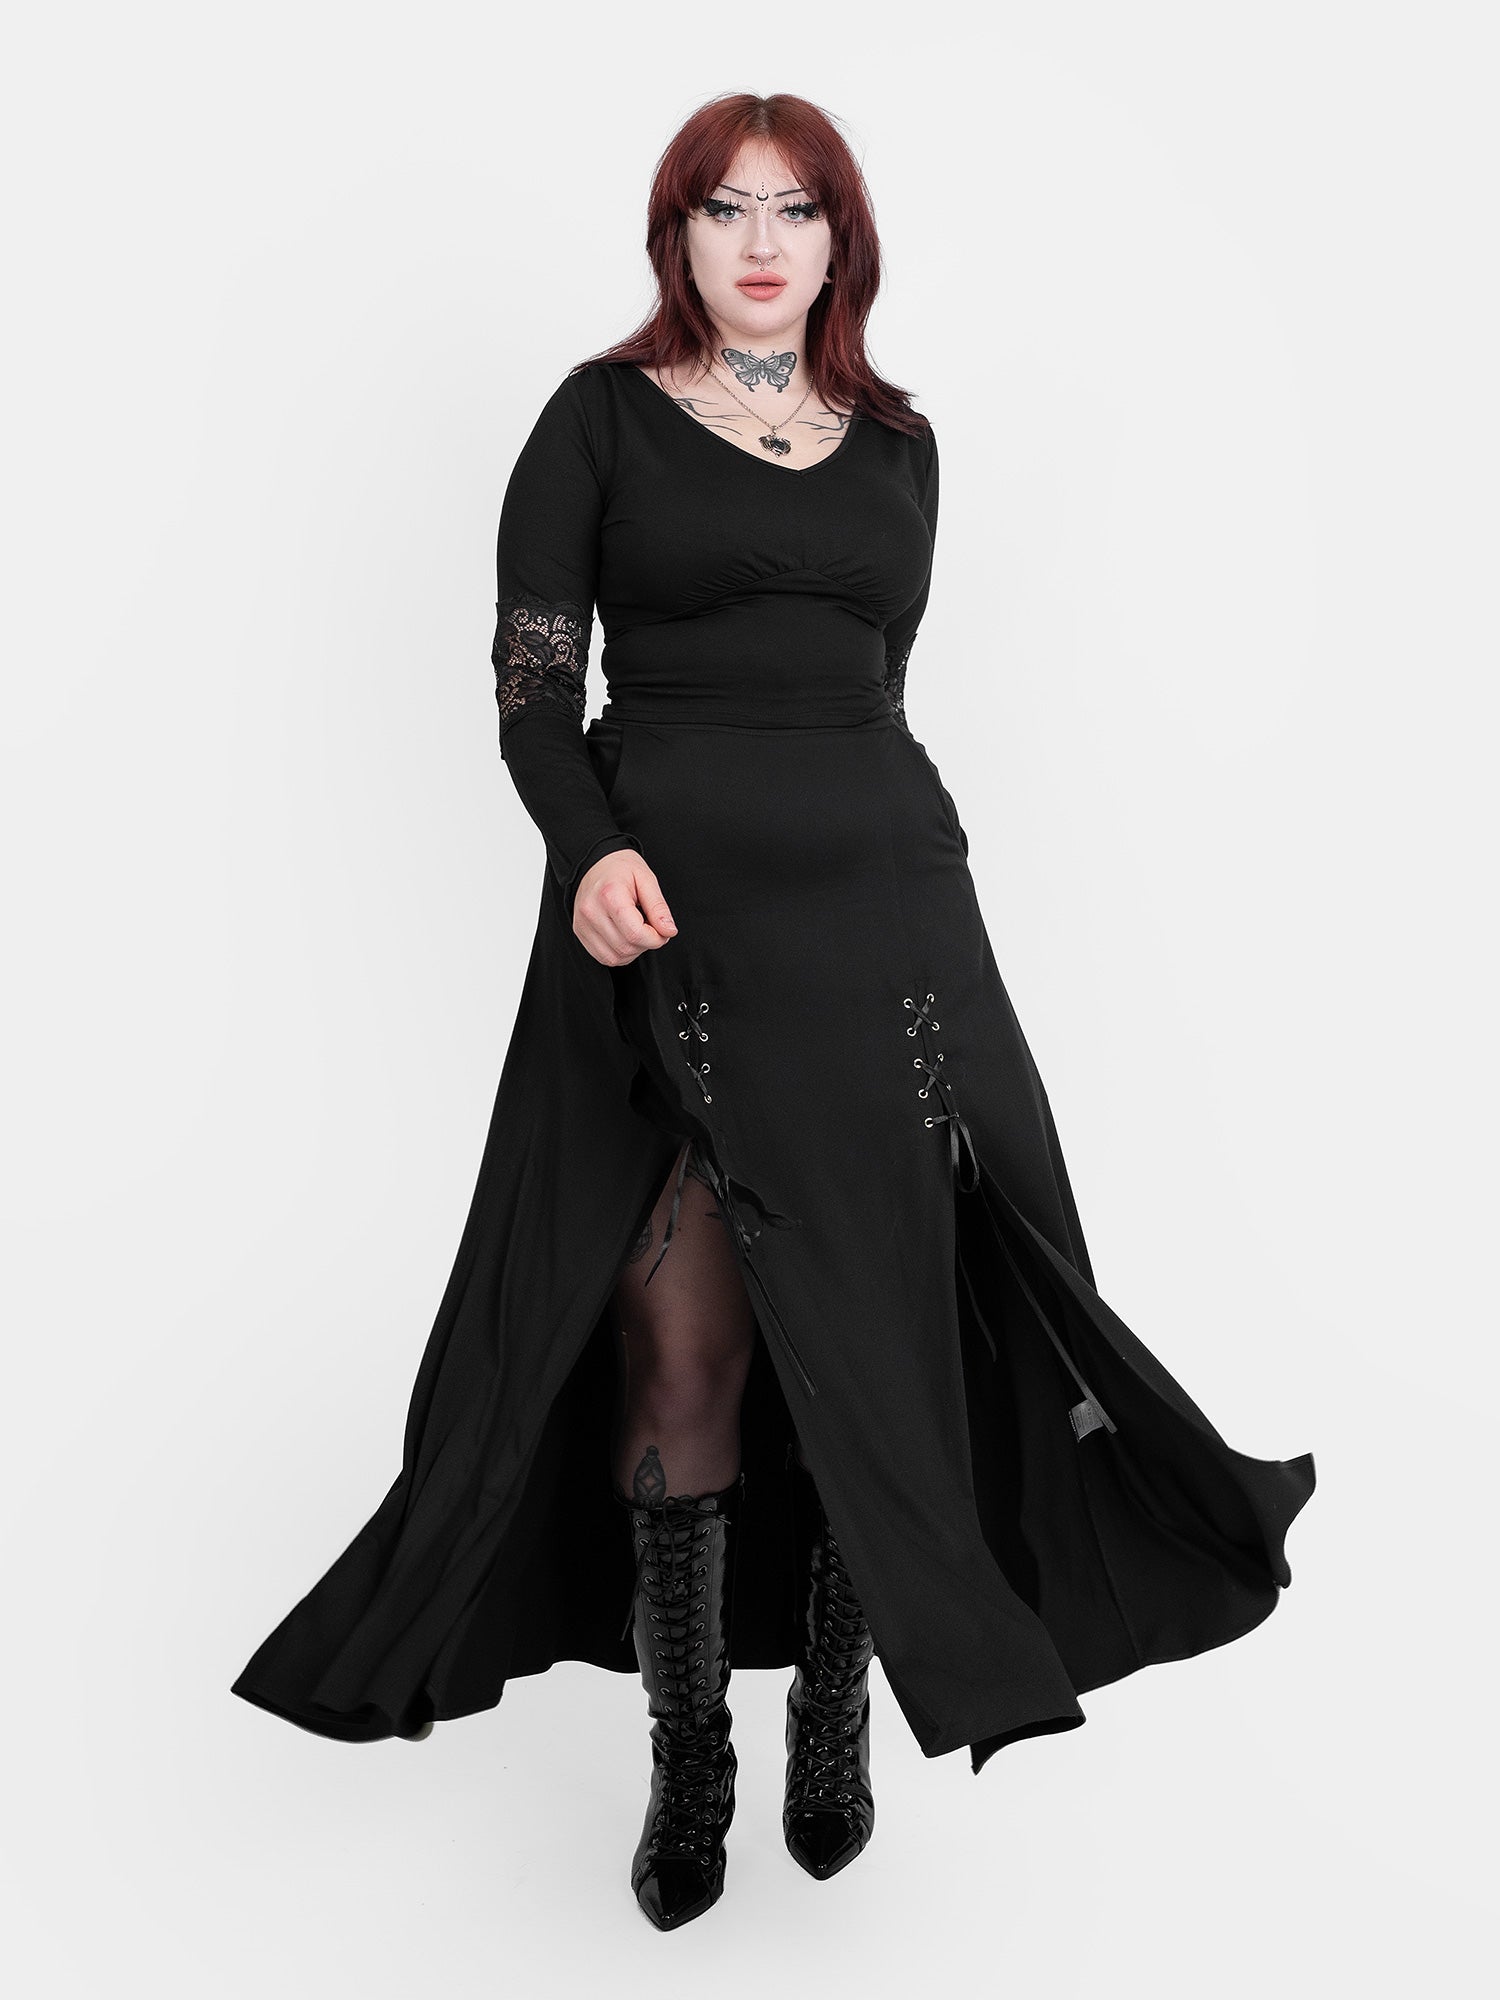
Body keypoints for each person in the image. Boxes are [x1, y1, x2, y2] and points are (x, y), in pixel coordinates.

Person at [231, 91, 1316, 1933]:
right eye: (723, 208)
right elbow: (531, 689)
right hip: (669, 933)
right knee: (684, 1351)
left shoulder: (901, 448)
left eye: (794, 211)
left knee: (885, 1329)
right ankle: (691, 1757)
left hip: (891, 927)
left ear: (839, 243)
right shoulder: (595, 420)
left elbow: (870, 691)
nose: (758, 241)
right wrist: (588, 850)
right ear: (676, 234)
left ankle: (832, 1707)